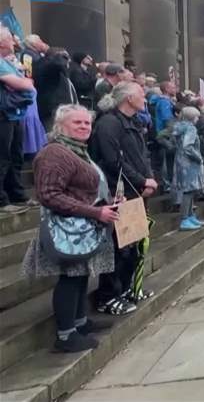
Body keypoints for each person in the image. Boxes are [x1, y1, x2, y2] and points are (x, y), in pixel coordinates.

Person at [21, 104, 117, 352]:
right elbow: (49, 195)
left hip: (81, 227)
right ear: (60, 126)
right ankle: (65, 336)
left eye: (87, 123)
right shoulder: (55, 153)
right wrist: (96, 211)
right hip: (66, 230)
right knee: (70, 279)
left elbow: (83, 190)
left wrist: (108, 204)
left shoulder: (76, 151)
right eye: (78, 123)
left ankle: (80, 322)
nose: (85, 127)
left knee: (81, 275)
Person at [90, 82, 157, 314]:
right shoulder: (108, 123)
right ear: (128, 98)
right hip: (118, 193)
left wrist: (148, 179)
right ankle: (108, 296)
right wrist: (141, 181)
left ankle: (128, 288)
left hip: (135, 192)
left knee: (134, 245)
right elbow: (113, 161)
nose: (144, 99)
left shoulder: (133, 123)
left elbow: (141, 155)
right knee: (119, 248)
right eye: (140, 94)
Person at [0, 28, 36, 214]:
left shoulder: (8, 62)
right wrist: (22, 83)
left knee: (16, 156)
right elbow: (23, 84)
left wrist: (22, 82)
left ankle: (17, 194)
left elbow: (28, 82)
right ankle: (2, 200)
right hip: (3, 115)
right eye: (9, 39)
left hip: (16, 114)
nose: (14, 42)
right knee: (3, 157)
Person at [172, 107, 204, 230]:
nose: (198, 119)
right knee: (189, 190)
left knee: (189, 190)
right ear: (192, 118)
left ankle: (190, 216)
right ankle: (185, 218)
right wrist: (199, 157)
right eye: (197, 116)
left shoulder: (179, 127)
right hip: (190, 163)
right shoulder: (191, 128)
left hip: (180, 161)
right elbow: (188, 147)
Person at [33, 48, 78, 133]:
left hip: (65, 111)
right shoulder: (47, 67)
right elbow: (53, 65)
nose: (69, 60)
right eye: (65, 57)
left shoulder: (62, 73)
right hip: (52, 112)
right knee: (53, 137)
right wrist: (58, 57)